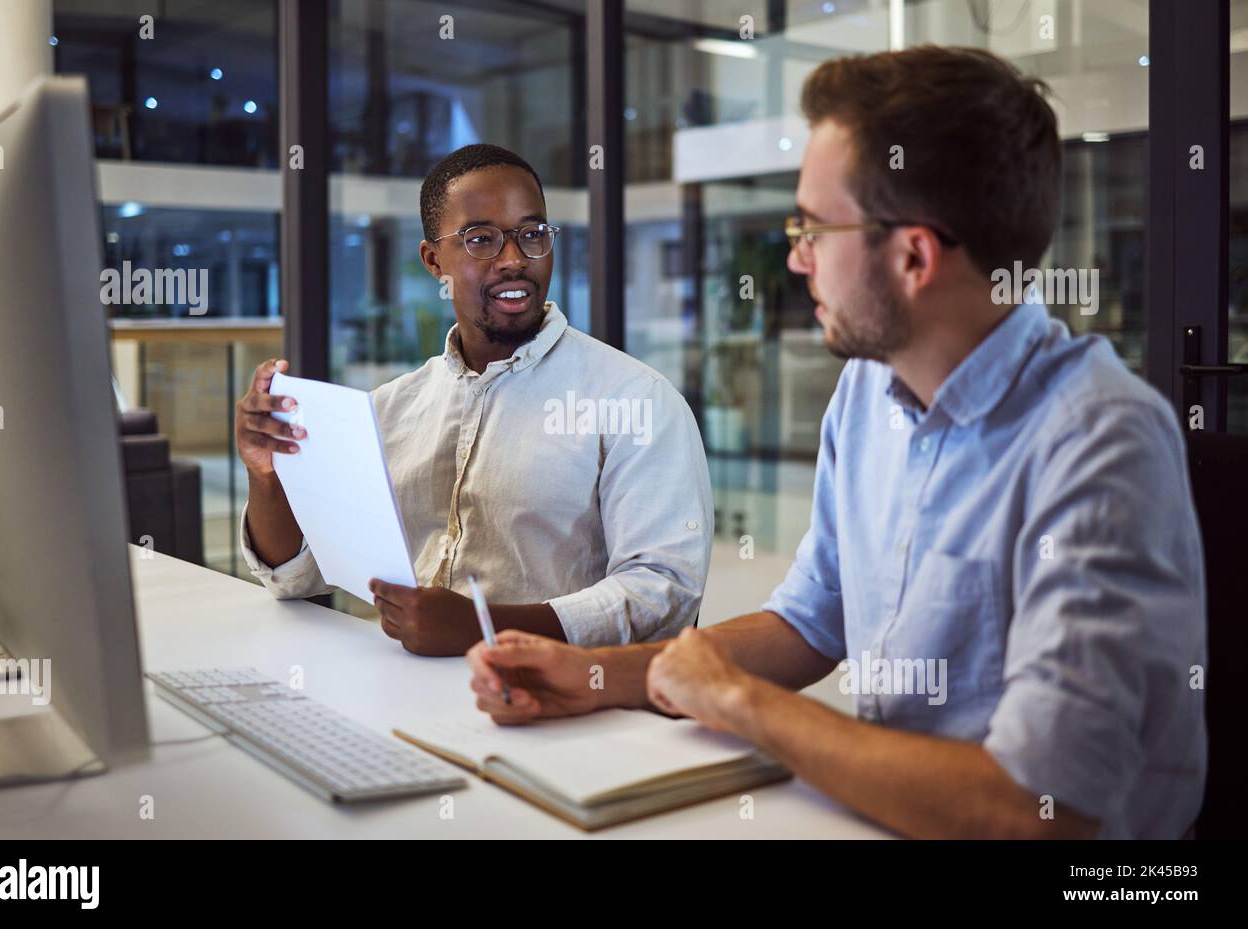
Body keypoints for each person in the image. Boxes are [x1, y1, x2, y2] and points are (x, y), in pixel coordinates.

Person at [465, 47, 1207, 839]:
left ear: (914, 255)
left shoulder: (1100, 440)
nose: (794, 257)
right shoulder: (868, 391)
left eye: (815, 227)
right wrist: (594, 674)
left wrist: (743, 703)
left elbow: (1030, 810)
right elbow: (812, 621)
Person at [237, 144, 712, 657]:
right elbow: (298, 577)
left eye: (532, 235)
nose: (514, 260)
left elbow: (664, 593)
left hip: (565, 713)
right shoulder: (389, 410)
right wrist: (267, 478)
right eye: (481, 239)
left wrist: (485, 627)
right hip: (402, 694)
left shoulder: (636, 401)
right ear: (432, 259)